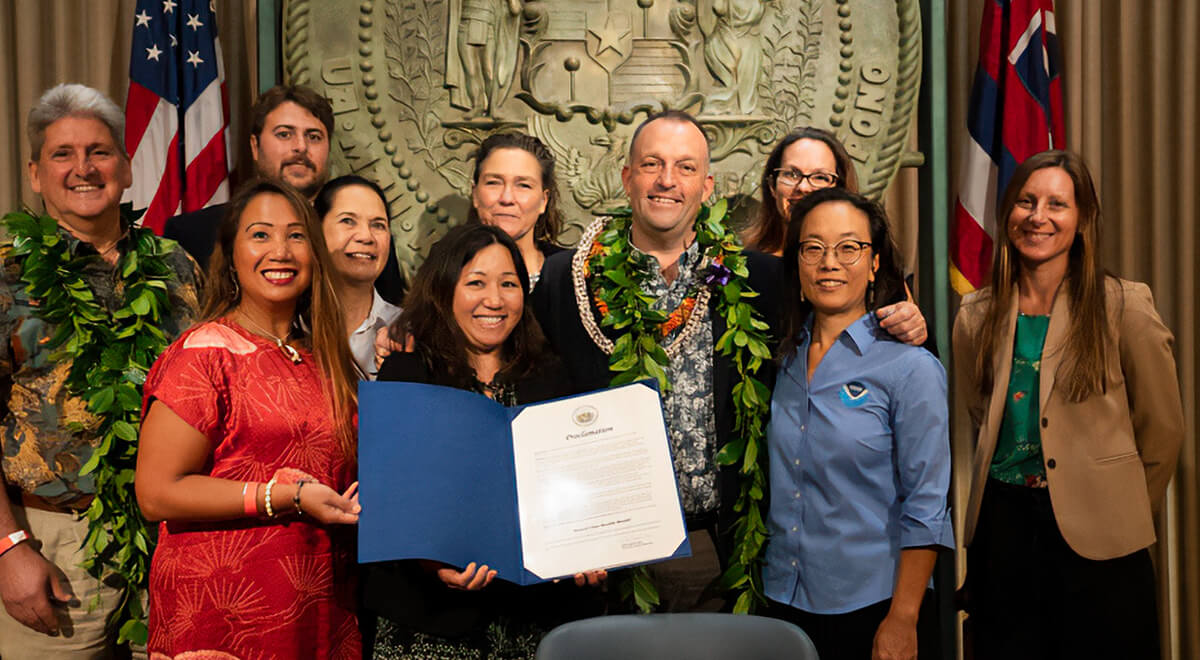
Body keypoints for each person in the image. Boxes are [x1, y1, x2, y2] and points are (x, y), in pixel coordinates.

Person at [531, 110, 929, 612]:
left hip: (721, 553)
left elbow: (849, 318)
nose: (667, 181)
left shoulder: (759, 279)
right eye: (651, 164)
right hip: (604, 552)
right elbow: (530, 394)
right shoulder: (567, 281)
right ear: (628, 177)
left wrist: (911, 326)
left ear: (707, 185)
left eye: (685, 167)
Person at [952, 150, 1183, 660]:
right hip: (1003, 533)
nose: (1038, 216)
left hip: (1102, 543)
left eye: (1057, 204)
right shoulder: (976, 314)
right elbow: (976, 418)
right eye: (1026, 202)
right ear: (1007, 212)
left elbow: (1163, 431)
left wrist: (1121, 512)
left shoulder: (1125, 305)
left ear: (1081, 221)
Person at [0, 83, 201, 656]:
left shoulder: (176, 265)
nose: (83, 168)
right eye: (63, 154)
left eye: (99, 151)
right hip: (51, 544)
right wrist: (9, 548)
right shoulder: (7, 275)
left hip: (170, 537)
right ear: (35, 174)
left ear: (127, 168)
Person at [135, 179, 363, 656]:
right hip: (220, 617)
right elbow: (157, 493)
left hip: (319, 610)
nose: (280, 251)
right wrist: (283, 498)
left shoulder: (327, 359)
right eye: (260, 235)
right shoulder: (203, 354)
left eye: (297, 235)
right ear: (231, 255)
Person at [364, 223, 602, 658]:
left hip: (534, 620)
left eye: (508, 284)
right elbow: (389, 502)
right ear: (444, 290)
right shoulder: (407, 374)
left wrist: (589, 549)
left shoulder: (552, 375)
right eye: (475, 283)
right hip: (429, 622)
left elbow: (576, 487)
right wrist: (432, 563)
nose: (494, 300)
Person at [763, 188, 952, 660]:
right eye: (813, 248)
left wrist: (904, 618)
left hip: (875, 609)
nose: (830, 262)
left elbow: (927, 504)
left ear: (874, 263)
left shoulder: (911, 368)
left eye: (849, 248)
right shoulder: (778, 361)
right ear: (798, 263)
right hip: (781, 602)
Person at [162, 85, 406, 304]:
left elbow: (390, 320)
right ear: (255, 146)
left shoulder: (367, 239)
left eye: (314, 137)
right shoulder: (192, 233)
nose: (300, 146)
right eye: (284, 134)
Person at [315, 175, 402, 378]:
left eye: (378, 225)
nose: (366, 236)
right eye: (348, 221)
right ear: (316, 230)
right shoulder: (289, 328)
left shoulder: (408, 331)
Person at [468, 132, 565, 290]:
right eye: (493, 183)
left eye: (523, 185)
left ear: (543, 200)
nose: (507, 198)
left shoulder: (572, 274)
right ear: (475, 194)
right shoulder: (446, 267)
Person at [742, 126, 858, 256]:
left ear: (840, 190)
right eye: (791, 174)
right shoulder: (746, 265)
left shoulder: (861, 266)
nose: (803, 187)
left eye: (820, 177)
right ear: (772, 186)